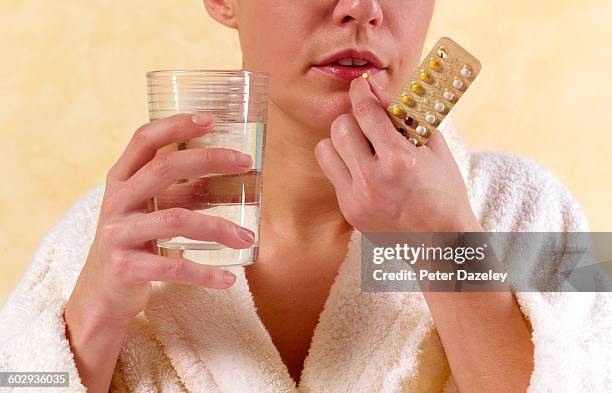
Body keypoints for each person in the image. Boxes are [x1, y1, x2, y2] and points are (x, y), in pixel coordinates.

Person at [1, 1, 610, 392]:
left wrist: (443, 243)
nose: (362, 10)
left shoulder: (532, 208)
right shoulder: (114, 233)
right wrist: (89, 322)